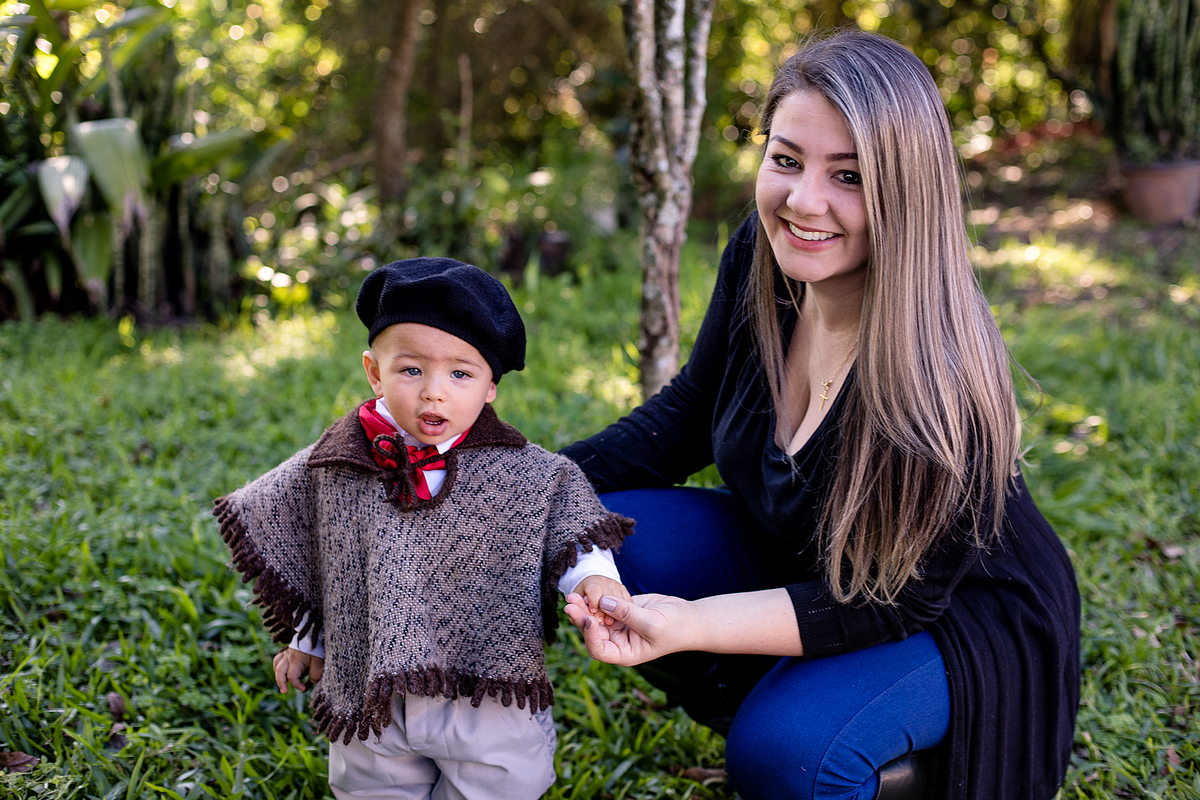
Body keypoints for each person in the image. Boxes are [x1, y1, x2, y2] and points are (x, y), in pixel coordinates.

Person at [562, 29, 1080, 800]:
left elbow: (896, 601)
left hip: (949, 618)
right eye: (786, 160)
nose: (804, 202)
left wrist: (696, 624)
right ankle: (800, 711)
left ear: (906, 191)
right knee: (602, 533)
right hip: (811, 564)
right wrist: (521, 478)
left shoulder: (939, 371)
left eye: (849, 176)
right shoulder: (764, 258)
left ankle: (890, 770)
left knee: (788, 754)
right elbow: (687, 415)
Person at [214, 257, 633, 800]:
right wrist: (309, 638)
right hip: (372, 680)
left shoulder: (525, 472)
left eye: (461, 374)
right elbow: (327, 560)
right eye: (411, 370)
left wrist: (595, 581)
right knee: (371, 785)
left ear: (490, 387)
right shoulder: (335, 463)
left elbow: (567, 525)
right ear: (374, 371)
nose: (434, 392)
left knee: (501, 782)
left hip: (484, 681)